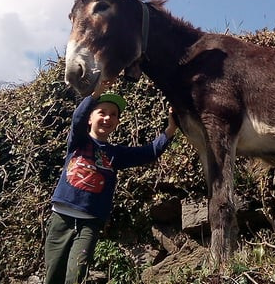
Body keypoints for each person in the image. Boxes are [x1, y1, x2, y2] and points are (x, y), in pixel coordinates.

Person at [44, 92, 177, 284]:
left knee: (76, 276)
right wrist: (96, 93)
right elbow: (77, 118)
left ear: (117, 122)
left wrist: (171, 129)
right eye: (102, 112)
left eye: (113, 114)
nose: (107, 118)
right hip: (61, 218)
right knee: (53, 276)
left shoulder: (116, 154)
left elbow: (150, 152)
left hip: (89, 223)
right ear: (90, 118)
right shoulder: (78, 141)